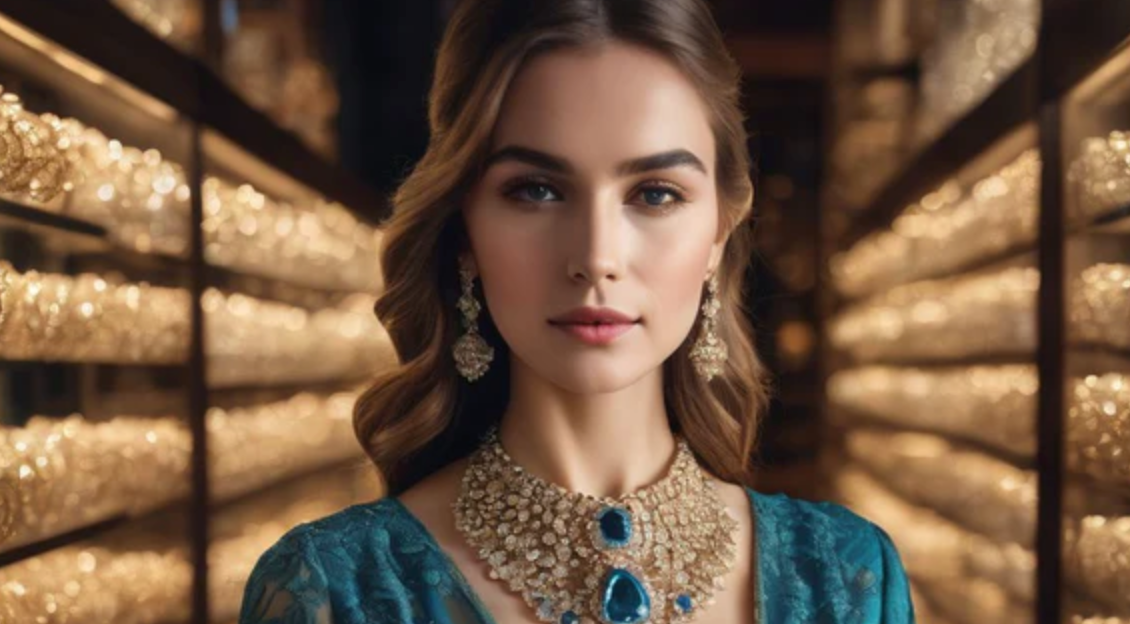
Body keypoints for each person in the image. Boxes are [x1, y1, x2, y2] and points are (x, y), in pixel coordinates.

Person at [237, 0, 916, 622]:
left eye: (654, 194)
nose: (596, 257)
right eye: (535, 190)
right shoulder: (333, 590)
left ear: (719, 233)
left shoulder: (847, 578)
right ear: (464, 230)